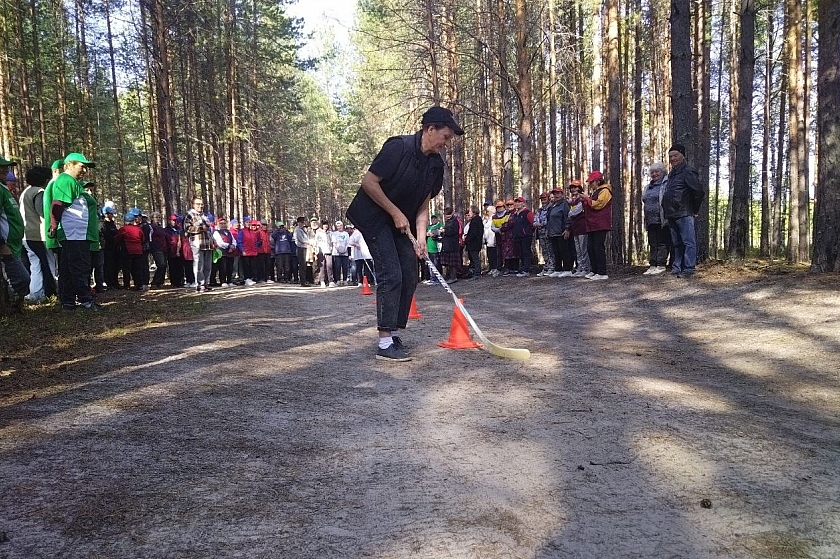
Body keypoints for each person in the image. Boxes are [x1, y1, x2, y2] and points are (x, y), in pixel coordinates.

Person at [346, 105, 462, 361]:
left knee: (409, 272)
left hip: (402, 221)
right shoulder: (398, 147)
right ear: (430, 129)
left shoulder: (435, 166)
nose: (447, 143)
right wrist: (395, 212)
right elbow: (369, 182)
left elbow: (423, 204)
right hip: (374, 216)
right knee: (391, 272)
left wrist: (421, 238)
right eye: (445, 136)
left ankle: (393, 333)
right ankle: (384, 342)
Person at [45, 152, 99, 310]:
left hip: (77, 234)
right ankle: (85, 300)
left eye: (86, 168)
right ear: (69, 165)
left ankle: (68, 301)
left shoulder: (73, 182)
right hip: (72, 233)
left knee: (68, 268)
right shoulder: (65, 179)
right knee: (79, 267)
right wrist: (53, 226)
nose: (85, 171)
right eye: (82, 167)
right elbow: (58, 204)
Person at [663, 144, 704, 278]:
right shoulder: (672, 174)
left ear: (683, 155)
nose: (673, 159)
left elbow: (698, 191)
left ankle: (689, 268)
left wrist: (694, 209)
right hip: (672, 213)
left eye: (675, 155)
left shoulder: (688, 171)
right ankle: (676, 267)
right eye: (670, 156)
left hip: (684, 212)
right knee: (676, 243)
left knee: (688, 242)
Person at [19, 166, 57, 302]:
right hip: (38, 234)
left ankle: (35, 293)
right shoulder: (39, 192)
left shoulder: (26, 192)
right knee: (44, 264)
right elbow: (43, 212)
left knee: (35, 264)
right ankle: (43, 293)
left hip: (26, 234)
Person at [0, 165, 29, 311]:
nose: (5, 170)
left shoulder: (4, 189)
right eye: (1, 168)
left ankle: (16, 308)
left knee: (19, 278)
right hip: (7, 246)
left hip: (15, 244)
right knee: (21, 278)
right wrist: (1, 244)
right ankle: (11, 307)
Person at [579, 171, 612, 280]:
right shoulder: (596, 192)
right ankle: (595, 270)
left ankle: (602, 272)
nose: (590, 184)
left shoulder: (605, 191)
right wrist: (585, 200)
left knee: (598, 247)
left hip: (600, 223)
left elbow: (598, 205)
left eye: (592, 182)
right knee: (591, 248)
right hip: (592, 224)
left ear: (598, 181)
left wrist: (587, 199)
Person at [642, 162, 671, 275]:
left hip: (662, 219)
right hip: (650, 219)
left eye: (656, 172)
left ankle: (661, 264)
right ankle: (653, 265)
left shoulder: (666, 184)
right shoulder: (648, 186)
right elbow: (644, 199)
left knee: (662, 242)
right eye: (652, 172)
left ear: (662, 172)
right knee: (652, 242)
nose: (654, 174)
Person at [183, 196, 214, 292]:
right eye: (198, 204)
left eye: (201, 204)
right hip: (197, 243)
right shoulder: (190, 215)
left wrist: (213, 241)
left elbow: (209, 230)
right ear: (193, 205)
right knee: (199, 265)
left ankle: (206, 283)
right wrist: (200, 228)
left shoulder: (204, 216)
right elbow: (186, 228)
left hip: (207, 243)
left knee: (207, 265)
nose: (200, 206)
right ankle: (200, 284)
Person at [545, 187, 573, 277]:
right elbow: (549, 219)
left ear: (562, 194)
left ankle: (567, 269)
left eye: (558, 193)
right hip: (552, 232)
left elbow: (568, 217)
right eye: (555, 193)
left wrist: (567, 229)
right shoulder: (552, 205)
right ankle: (558, 269)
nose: (556, 195)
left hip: (561, 231)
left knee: (564, 250)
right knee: (556, 251)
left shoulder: (564, 204)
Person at [567, 181, 590, 277]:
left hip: (582, 227)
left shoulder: (582, 198)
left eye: (575, 187)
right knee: (578, 249)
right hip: (575, 228)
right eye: (572, 188)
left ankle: (586, 268)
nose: (573, 190)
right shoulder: (572, 200)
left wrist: (570, 212)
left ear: (579, 188)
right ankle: (580, 267)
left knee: (583, 248)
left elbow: (576, 211)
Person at [510, 196, 534, 277]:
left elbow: (532, 223)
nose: (517, 204)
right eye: (516, 202)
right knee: (520, 253)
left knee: (526, 252)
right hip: (517, 236)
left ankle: (526, 269)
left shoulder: (527, 212)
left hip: (526, 236)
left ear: (523, 203)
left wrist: (527, 232)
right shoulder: (515, 214)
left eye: (519, 202)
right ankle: (523, 268)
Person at [534, 192, 554, 276]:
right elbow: (535, 219)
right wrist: (536, 223)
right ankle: (546, 267)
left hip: (548, 231)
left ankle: (552, 267)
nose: (543, 201)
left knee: (550, 249)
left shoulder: (551, 208)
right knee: (544, 250)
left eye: (544, 199)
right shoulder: (539, 210)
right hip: (540, 232)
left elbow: (550, 219)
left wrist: (542, 224)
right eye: (542, 199)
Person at [439, 207, 462, 283]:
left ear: (452, 213)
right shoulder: (447, 222)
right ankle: (448, 276)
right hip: (446, 245)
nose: (447, 216)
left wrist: (445, 230)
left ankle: (453, 277)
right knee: (448, 263)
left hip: (452, 245)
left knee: (453, 263)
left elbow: (453, 231)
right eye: (446, 214)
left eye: (449, 214)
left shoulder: (454, 221)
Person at [212, 216, 237, 287]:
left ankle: (229, 281)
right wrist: (229, 246)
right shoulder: (216, 232)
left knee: (230, 267)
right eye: (221, 223)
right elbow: (220, 242)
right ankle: (223, 281)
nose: (223, 225)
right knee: (223, 267)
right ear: (218, 224)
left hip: (230, 252)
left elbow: (234, 241)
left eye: (224, 223)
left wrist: (233, 246)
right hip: (222, 252)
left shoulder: (229, 232)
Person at [464, 205, 483, 279]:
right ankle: (475, 272)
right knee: (473, 258)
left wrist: (467, 239)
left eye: (470, 212)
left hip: (474, 243)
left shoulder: (475, 221)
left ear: (474, 212)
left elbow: (473, 233)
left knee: (475, 258)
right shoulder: (476, 220)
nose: (469, 213)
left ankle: (477, 273)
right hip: (475, 243)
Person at [423, 213, 443, 284]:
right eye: (432, 218)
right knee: (430, 264)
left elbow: (441, 231)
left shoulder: (440, 225)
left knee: (436, 263)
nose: (433, 220)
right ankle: (432, 278)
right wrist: (428, 233)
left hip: (436, 248)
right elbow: (425, 233)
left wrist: (434, 233)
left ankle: (437, 278)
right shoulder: (430, 226)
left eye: (435, 218)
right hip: (429, 248)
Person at [315, 219, 334, 287]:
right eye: (324, 224)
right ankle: (322, 281)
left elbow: (332, 241)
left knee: (329, 266)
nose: (325, 226)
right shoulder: (318, 232)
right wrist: (316, 249)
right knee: (321, 267)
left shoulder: (330, 233)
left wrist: (332, 249)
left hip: (329, 251)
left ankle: (330, 281)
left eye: (326, 224)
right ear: (322, 225)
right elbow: (316, 241)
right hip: (321, 251)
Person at [331, 220, 351, 285]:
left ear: (342, 226)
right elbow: (334, 243)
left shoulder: (346, 234)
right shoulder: (334, 234)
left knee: (345, 266)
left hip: (345, 252)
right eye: (338, 226)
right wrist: (338, 249)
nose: (339, 227)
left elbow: (348, 243)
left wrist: (345, 250)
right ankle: (338, 280)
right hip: (337, 253)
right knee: (337, 266)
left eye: (340, 226)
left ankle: (345, 280)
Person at [293, 217, 311, 287]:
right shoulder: (297, 230)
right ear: (298, 222)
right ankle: (302, 282)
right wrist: (309, 242)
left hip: (305, 247)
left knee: (304, 265)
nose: (302, 224)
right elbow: (301, 239)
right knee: (302, 265)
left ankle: (304, 280)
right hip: (301, 248)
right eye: (301, 222)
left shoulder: (303, 229)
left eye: (303, 222)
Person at [482, 203, 498, 277]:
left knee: (494, 254)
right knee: (489, 254)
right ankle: (491, 267)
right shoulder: (486, 219)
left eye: (488, 211)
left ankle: (495, 267)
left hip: (493, 238)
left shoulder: (494, 218)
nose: (486, 212)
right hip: (487, 239)